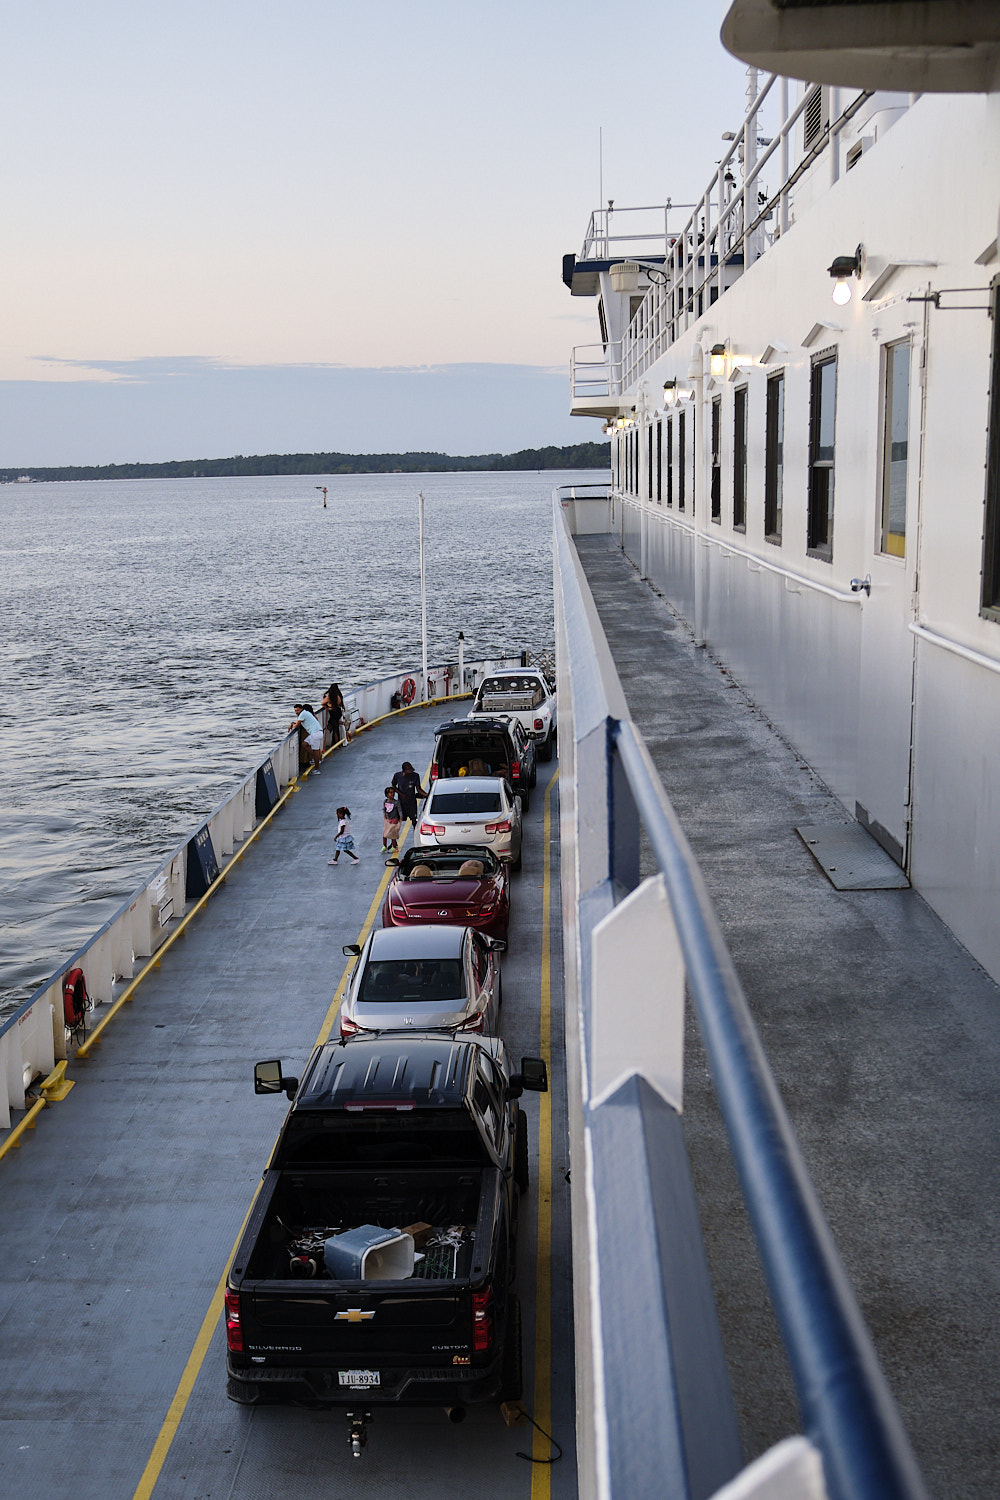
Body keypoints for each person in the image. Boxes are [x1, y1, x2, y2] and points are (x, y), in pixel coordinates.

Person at [290, 702, 324, 772]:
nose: (296, 712)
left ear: (301, 709)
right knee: (304, 744)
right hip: (317, 733)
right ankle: (315, 758)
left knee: (315, 751)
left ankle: (317, 769)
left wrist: (291, 724)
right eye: (295, 711)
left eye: (298, 710)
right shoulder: (306, 713)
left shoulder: (302, 714)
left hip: (315, 734)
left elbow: (296, 725)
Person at [392, 761, 426, 828]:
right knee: (399, 819)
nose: (411, 772)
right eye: (409, 771)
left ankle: (416, 835)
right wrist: (401, 794)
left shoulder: (415, 776)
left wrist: (426, 795)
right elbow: (393, 786)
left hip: (411, 802)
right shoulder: (397, 776)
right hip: (401, 802)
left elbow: (419, 789)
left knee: (414, 820)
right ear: (404, 771)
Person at [382, 786, 401, 852]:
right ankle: (384, 845)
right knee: (385, 833)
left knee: (392, 834)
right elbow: (384, 809)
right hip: (388, 820)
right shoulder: (385, 801)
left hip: (394, 819)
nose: (392, 794)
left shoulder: (396, 802)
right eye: (390, 793)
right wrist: (384, 815)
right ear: (387, 794)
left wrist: (400, 818)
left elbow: (399, 810)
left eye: (393, 793)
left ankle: (394, 846)